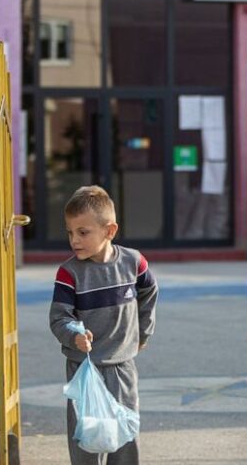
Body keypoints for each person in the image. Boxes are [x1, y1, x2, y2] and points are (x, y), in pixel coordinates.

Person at [49, 185, 159, 464]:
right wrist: (74, 336)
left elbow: (149, 292)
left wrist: (142, 332)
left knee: (124, 436)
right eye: (70, 232)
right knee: (87, 438)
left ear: (109, 231)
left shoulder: (134, 262)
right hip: (84, 369)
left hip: (122, 366)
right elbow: (60, 317)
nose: (75, 240)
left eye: (83, 232)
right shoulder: (68, 272)